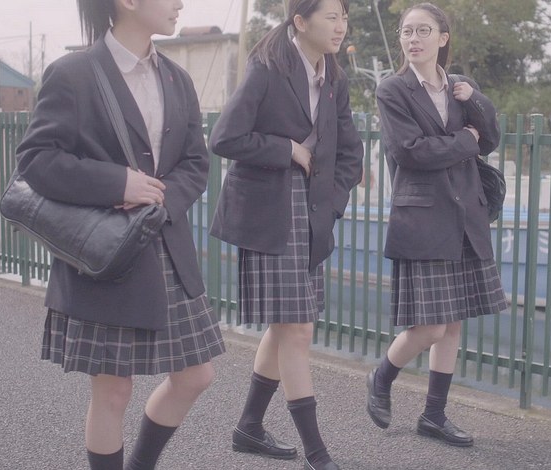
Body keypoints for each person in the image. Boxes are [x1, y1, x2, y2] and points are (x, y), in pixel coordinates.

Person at [16, 0, 225, 468]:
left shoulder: (177, 78)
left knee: (196, 376)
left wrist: (162, 197)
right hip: (105, 252)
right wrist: (118, 183)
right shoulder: (73, 73)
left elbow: (196, 161)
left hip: (166, 246)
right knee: (113, 391)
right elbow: (36, 160)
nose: (180, 3)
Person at [209, 0, 363, 468]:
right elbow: (224, 138)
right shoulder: (268, 67)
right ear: (300, 21)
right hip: (269, 213)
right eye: (331, 17)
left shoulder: (334, 77)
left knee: (287, 326)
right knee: (295, 329)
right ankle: (316, 451)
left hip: (312, 213)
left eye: (344, 17)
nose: (341, 26)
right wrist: (287, 149)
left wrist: (333, 205)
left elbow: (350, 153)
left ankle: (249, 427)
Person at [365, 2, 508, 448]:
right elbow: (410, 152)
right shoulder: (393, 90)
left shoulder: (462, 87)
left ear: (442, 39)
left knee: (453, 323)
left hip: (466, 217)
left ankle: (434, 415)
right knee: (429, 327)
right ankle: (381, 377)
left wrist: (475, 101)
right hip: (423, 218)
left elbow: (491, 138)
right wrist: (465, 141)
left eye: (423, 30)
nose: (413, 38)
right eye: (407, 31)